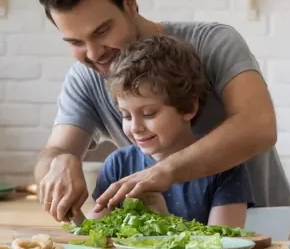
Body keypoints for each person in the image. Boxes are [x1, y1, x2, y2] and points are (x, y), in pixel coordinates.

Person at [33, 0, 290, 240]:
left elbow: (259, 127)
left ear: (130, 3)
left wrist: (164, 171)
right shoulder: (85, 78)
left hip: (272, 243)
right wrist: (59, 163)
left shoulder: (213, 43)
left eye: (102, 31)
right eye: (75, 42)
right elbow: (53, 152)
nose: (93, 53)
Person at [85, 35, 255, 227]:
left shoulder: (225, 167)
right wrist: (72, 212)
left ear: (189, 108)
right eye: (126, 116)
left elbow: (225, 242)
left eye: (149, 113)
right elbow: (93, 232)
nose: (135, 127)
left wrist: (164, 221)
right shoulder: (118, 164)